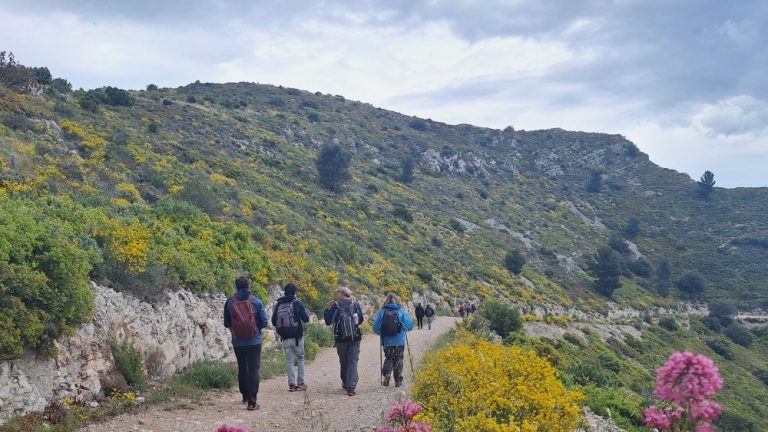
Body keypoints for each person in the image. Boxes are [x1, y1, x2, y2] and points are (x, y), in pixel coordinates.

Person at [224, 276, 268, 411]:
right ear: (249, 286)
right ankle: (252, 402)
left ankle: (244, 395)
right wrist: (256, 330)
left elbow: (227, 323)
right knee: (253, 369)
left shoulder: (230, 302)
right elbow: (264, 322)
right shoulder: (256, 301)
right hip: (254, 341)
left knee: (242, 367)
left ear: (236, 286)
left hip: (238, 342)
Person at [323, 287, 364, 396]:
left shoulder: (336, 305)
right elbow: (360, 320)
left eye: (337, 293)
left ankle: (346, 383)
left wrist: (327, 309)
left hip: (340, 338)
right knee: (353, 361)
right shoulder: (355, 305)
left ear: (340, 294)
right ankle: (351, 387)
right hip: (354, 338)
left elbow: (328, 321)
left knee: (344, 361)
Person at [271, 283, 310, 392]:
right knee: (301, 358)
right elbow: (306, 319)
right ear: (295, 292)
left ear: (284, 292)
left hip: (285, 337)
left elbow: (273, 321)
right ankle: (300, 383)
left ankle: (291, 384)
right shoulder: (297, 303)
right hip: (297, 337)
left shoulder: (279, 304)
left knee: (289, 360)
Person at [373, 293, 414, 387]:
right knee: (398, 359)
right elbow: (410, 326)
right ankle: (398, 380)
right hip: (399, 341)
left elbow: (375, 328)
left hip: (387, 341)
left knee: (389, 358)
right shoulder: (400, 311)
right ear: (397, 300)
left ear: (386, 301)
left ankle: (387, 374)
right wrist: (404, 328)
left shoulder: (382, 312)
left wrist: (381, 332)